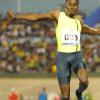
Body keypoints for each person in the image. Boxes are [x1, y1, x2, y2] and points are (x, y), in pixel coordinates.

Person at [6, 0, 100, 99]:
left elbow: (90, 30)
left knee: (84, 81)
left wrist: (98, 31)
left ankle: (79, 92)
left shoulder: (78, 22)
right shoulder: (58, 15)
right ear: (66, 5)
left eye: (75, 5)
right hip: (63, 58)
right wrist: (16, 16)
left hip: (76, 56)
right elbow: (37, 17)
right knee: (65, 96)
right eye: (70, 4)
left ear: (78, 6)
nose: (72, 7)